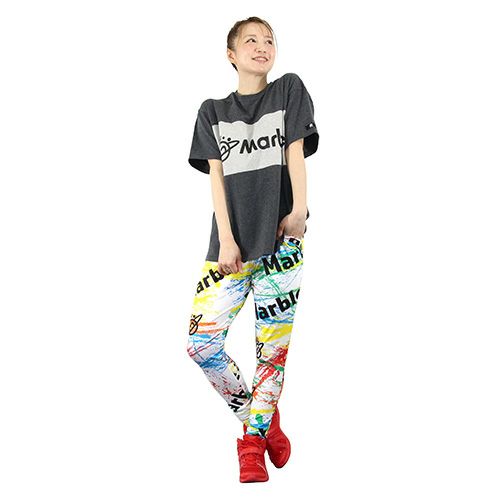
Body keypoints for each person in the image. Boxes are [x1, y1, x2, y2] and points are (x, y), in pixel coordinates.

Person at [186, 16, 319, 483]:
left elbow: (295, 153)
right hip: (231, 249)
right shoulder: (212, 111)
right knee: (201, 344)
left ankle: (250, 447)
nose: (262, 47)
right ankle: (261, 420)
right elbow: (216, 180)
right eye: (251, 41)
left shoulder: (288, 91)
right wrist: (226, 238)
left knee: (271, 355)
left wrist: (299, 210)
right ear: (231, 54)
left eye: (269, 40)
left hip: (282, 244)